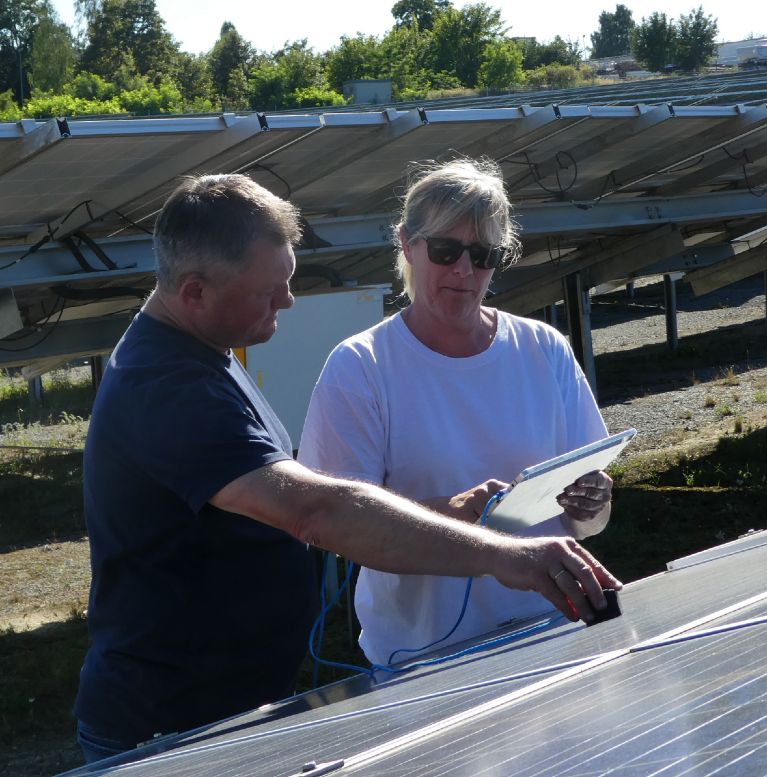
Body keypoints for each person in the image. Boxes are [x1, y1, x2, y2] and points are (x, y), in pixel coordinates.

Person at [74, 173, 620, 764]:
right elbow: (317, 508)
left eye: (484, 255)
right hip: (171, 727)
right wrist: (506, 553)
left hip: (224, 705)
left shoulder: (200, 354)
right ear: (195, 291)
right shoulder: (168, 387)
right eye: (269, 290)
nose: (287, 300)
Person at [298, 158, 616, 667]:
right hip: (425, 657)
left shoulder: (543, 349)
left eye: (484, 255)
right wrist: (454, 511)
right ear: (407, 244)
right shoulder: (361, 368)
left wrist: (591, 503)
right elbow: (337, 528)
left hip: (551, 630)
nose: (464, 271)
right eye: (446, 251)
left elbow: (591, 520)